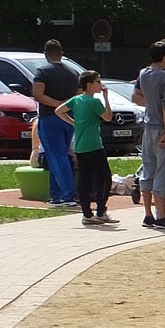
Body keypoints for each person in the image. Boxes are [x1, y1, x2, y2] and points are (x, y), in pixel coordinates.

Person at [132, 39, 165, 229]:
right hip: (161, 126)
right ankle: (161, 215)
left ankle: (148, 214)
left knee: (148, 168)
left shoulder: (143, 73)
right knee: (164, 169)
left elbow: (143, 97)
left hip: (147, 125)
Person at [56, 70, 117, 225]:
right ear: (89, 84)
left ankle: (87, 214)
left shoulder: (77, 100)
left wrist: (73, 123)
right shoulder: (93, 102)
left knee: (85, 179)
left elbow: (59, 111)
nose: (100, 85)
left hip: (80, 147)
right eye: (97, 82)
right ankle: (101, 211)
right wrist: (106, 98)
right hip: (94, 146)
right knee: (104, 179)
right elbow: (108, 117)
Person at [31, 39, 79, 208]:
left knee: (57, 156)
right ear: (62, 52)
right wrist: (66, 105)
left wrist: (56, 104)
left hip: (50, 117)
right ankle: (56, 195)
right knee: (59, 155)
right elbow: (79, 94)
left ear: (46, 54)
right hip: (69, 117)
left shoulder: (43, 71)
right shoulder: (73, 72)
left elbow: (38, 94)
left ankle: (67, 195)